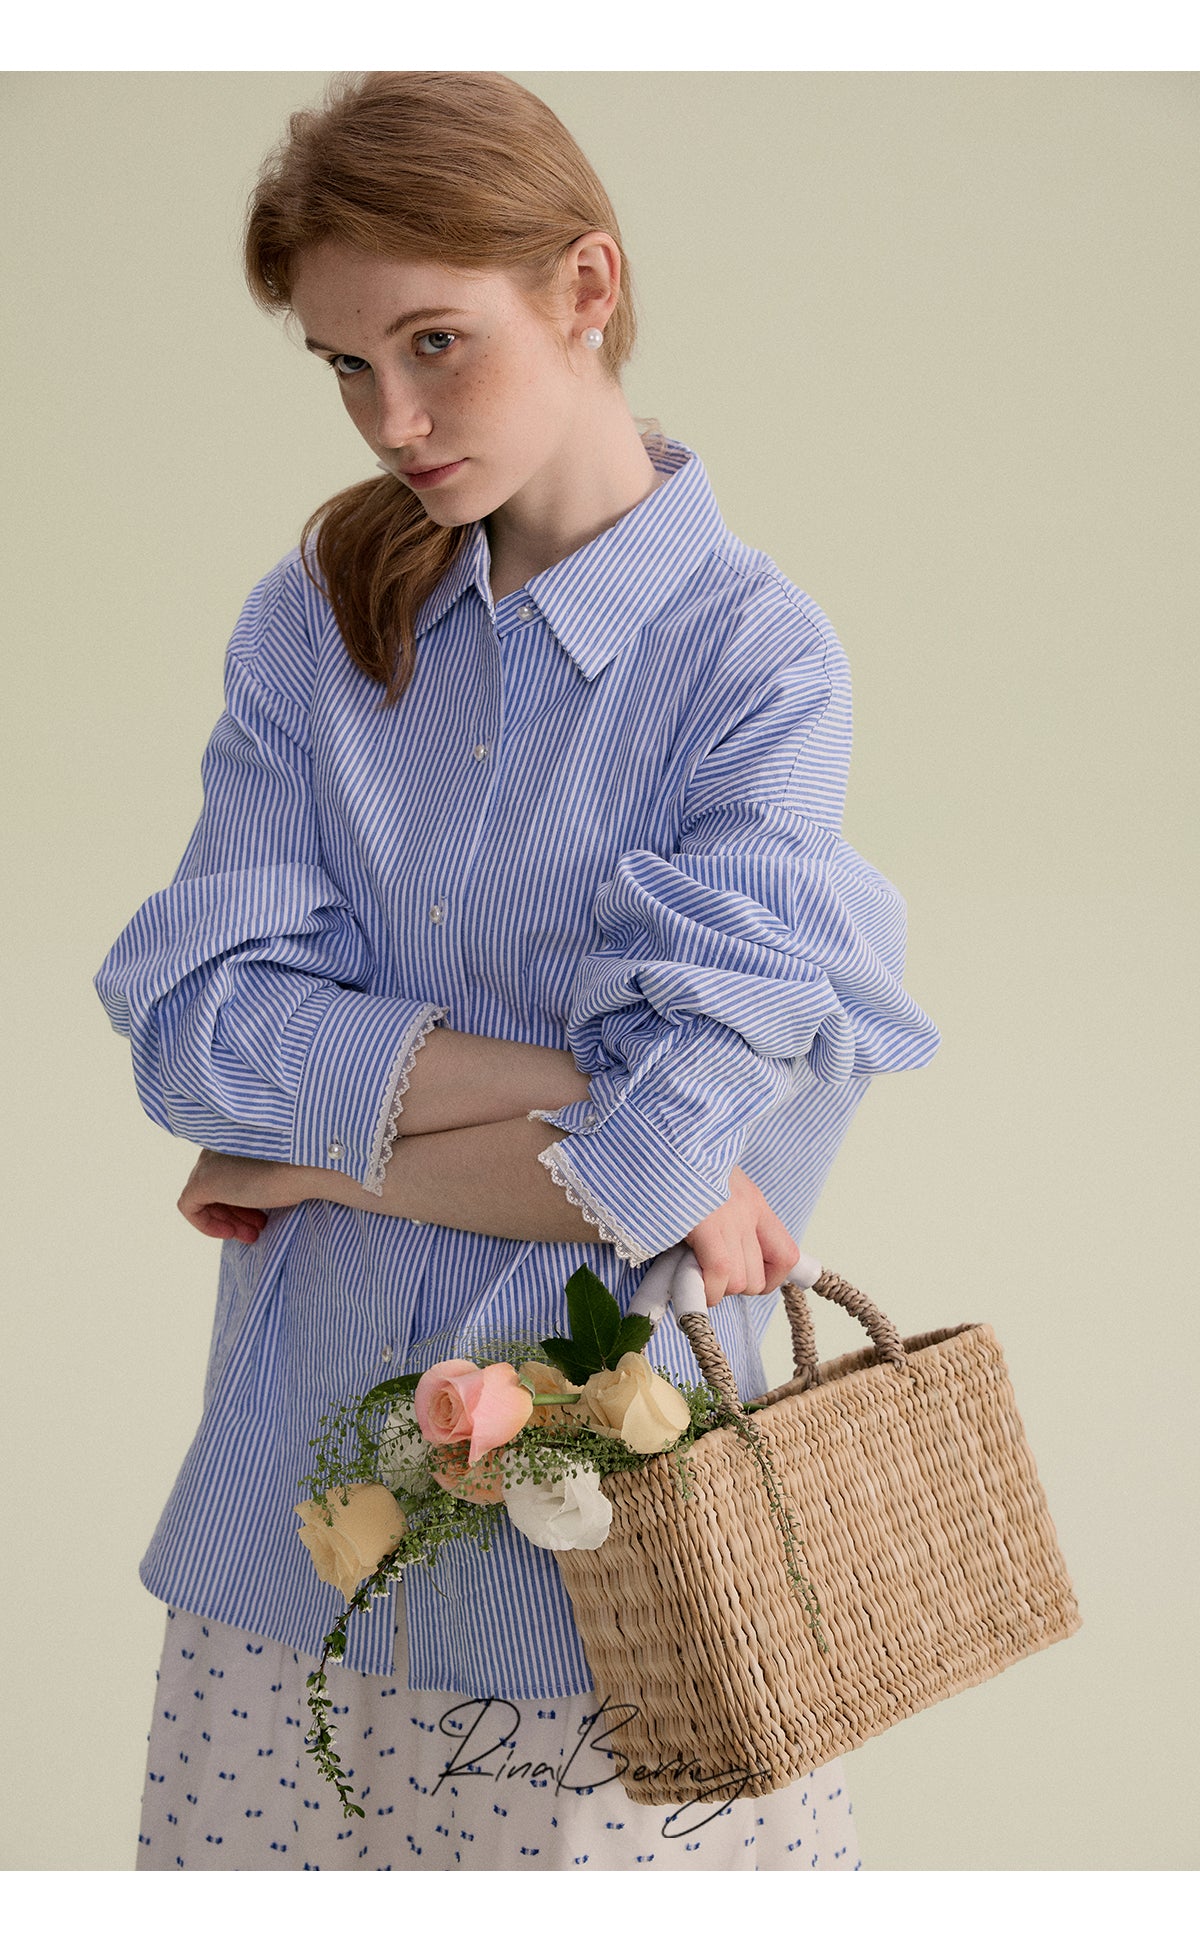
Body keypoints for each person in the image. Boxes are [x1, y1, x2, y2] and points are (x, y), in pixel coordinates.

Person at [94, 70, 939, 1872]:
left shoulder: (759, 668)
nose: (388, 415)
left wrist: (316, 1151)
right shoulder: (312, 622)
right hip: (287, 1541)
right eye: (342, 364)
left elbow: (649, 1183)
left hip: (608, 1577)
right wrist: (576, 1083)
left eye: (433, 343)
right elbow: (193, 1036)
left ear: (586, 285)